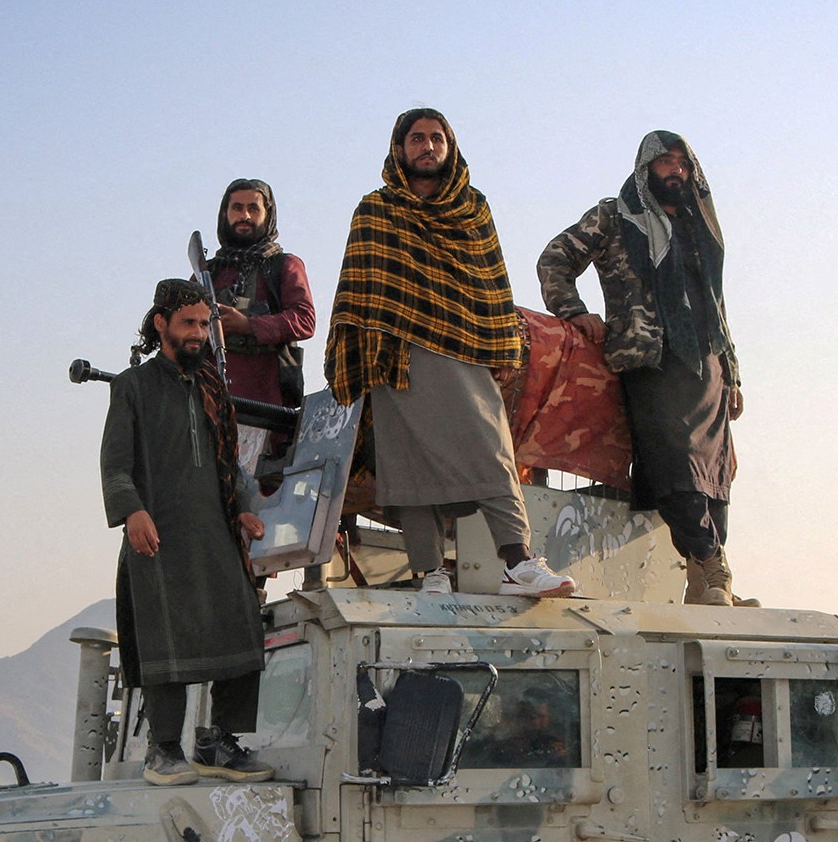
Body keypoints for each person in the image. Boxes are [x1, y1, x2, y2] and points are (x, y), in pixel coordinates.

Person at [326, 108, 574, 598]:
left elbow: (491, 287)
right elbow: (358, 289)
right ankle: (429, 573)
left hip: (462, 348)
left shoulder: (473, 209)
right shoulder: (375, 210)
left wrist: (501, 345)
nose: (427, 146)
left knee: (490, 452)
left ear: (450, 147)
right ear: (400, 149)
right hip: (396, 357)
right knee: (408, 466)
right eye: (417, 138)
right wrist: (355, 355)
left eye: (436, 138)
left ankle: (518, 563)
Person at [537, 131, 759, 606]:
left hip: (708, 362)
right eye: (665, 161)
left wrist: (733, 374)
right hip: (649, 357)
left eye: (682, 162)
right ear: (646, 168)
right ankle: (711, 564)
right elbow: (555, 258)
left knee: (714, 477)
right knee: (676, 466)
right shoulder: (615, 216)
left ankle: (706, 583)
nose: (675, 169)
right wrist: (574, 311)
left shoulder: (701, 227)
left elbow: (715, 304)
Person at [101, 278, 275, 785]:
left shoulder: (214, 388)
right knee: (166, 639)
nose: (198, 333)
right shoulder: (132, 387)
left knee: (242, 626)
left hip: (215, 532)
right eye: (188, 324)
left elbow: (232, 465)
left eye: (204, 324)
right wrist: (132, 512)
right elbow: (115, 464)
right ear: (161, 325)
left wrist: (243, 508)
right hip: (157, 535)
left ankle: (219, 742)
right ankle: (164, 749)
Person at [204, 178, 316, 475]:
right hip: (212, 405)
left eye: (253, 208)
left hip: (267, 405)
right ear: (224, 213)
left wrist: (249, 325)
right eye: (237, 208)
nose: (245, 216)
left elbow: (305, 319)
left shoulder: (283, 265)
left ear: (267, 214)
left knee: (262, 495)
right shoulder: (208, 275)